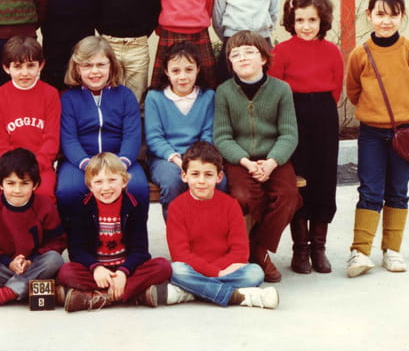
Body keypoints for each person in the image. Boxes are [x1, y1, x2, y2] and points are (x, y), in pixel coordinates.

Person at [345, 0, 409, 277]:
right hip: (371, 135)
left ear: (402, 16)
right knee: (369, 190)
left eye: (393, 15)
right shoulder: (360, 54)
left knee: (398, 191)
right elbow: (353, 91)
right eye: (380, 14)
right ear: (369, 15)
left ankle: (392, 250)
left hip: (407, 132)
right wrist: (373, 111)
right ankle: (360, 252)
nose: (386, 21)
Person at [213, 31, 300, 283]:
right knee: (243, 196)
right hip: (239, 160)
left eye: (249, 52)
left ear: (263, 58)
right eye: (235, 54)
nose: (242, 58)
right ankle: (255, 253)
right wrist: (246, 162)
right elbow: (222, 136)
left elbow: (289, 134)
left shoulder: (281, 90)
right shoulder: (224, 92)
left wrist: (272, 162)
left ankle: (257, 249)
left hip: (274, 158)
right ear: (230, 62)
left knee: (289, 196)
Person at [270, 0, 344, 274]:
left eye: (312, 20)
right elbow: (276, 89)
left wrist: (320, 111)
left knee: (324, 180)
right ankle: (300, 248)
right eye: (300, 20)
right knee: (299, 179)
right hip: (293, 117)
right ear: (291, 20)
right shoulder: (282, 51)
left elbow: (336, 89)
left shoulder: (332, 51)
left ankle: (318, 247)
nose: (306, 26)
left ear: (322, 20)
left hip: (323, 118)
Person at [165, 141, 278, 309]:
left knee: (255, 273)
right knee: (176, 270)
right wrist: (216, 273)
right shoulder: (176, 207)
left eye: (208, 175)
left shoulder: (230, 205)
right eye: (195, 174)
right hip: (194, 268)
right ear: (184, 176)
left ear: (219, 177)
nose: (201, 181)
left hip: (226, 269)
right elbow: (180, 254)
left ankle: (189, 292)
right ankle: (236, 296)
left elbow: (240, 251)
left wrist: (218, 271)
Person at [57, 153, 172, 312]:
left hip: (126, 268)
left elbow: (140, 251)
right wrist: (96, 268)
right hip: (96, 272)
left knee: (163, 266)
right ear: (90, 186)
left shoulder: (134, 206)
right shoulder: (81, 207)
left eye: (112, 180)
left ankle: (99, 297)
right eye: (98, 182)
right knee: (66, 272)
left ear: (124, 181)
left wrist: (123, 273)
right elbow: (77, 251)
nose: (106, 188)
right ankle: (135, 295)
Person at [0, 148, 66, 309]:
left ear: (35, 185)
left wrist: (30, 261)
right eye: (11, 183)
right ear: (1, 184)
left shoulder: (45, 206)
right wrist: (8, 263)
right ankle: (37, 291)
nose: (17, 190)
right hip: (3, 265)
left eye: (25, 183)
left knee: (54, 260)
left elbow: (57, 243)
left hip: (33, 265)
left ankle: (0, 295)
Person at [55, 36, 149, 221]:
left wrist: (120, 165)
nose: (95, 71)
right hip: (80, 162)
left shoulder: (125, 96)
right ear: (77, 68)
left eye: (101, 65)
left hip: (119, 159)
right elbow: (69, 139)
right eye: (87, 65)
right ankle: (79, 239)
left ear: (111, 66)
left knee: (137, 187)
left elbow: (131, 135)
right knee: (68, 190)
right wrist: (88, 165)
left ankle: (132, 238)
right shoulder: (69, 99)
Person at [144, 42, 220, 221]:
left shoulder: (208, 96)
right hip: (165, 158)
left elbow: (207, 134)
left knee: (219, 181)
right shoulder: (155, 97)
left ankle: (208, 230)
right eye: (176, 71)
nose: (183, 77)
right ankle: (177, 233)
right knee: (173, 181)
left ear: (198, 69)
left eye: (189, 69)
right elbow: (155, 138)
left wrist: (195, 162)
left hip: (200, 156)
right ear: (166, 71)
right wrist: (178, 160)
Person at [0, 36, 60, 201]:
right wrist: (12, 168)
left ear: (40, 65)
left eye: (31, 66)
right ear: (6, 68)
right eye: (17, 66)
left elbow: (52, 139)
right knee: (2, 197)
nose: (24, 73)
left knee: (44, 195)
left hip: (40, 166)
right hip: (9, 166)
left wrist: (35, 166)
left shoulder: (50, 94)